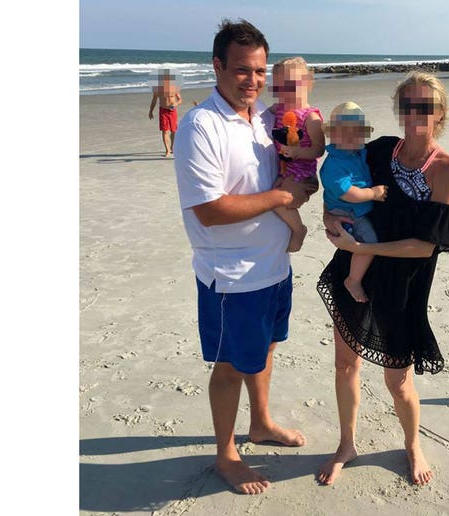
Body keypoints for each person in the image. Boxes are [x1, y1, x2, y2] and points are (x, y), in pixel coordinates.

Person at [173, 18, 309, 496]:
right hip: (232, 277)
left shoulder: (265, 120)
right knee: (232, 365)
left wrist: (304, 185)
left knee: (266, 350)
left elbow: (294, 171)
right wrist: (280, 200)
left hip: (274, 267)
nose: (251, 81)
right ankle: (226, 454)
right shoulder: (201, 125)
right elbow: (210, 210)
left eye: (258, 71)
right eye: (240, 70)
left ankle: (262, 423)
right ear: (217, 66)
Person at [316, 71, 449, 486]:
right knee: (345, 364)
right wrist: (330, 215)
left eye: (426, 107)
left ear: (440, 113)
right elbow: (338, 182)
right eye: (409, 106)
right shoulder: (380, 150)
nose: (416, 114)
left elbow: (423, 246)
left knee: (398, 380)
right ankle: (346, 444)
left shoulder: (448, 170)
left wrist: (360, 250)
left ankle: (412, 444)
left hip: (403, 284)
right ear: (400, 109)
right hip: (353, 269)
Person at [318, 102, 386, 303]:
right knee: (368, 242)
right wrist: (373, 194)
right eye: (344, 133)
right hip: (348, 212)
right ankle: (353, 280)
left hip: (354, 210)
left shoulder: (355, 153)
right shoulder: (335, 163)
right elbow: (348, 193)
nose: (351, 137)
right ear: (332, 135)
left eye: (356, 133)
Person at [268, 57, 325, 252]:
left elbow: (319, 149)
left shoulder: (311, 118)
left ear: (308, 83)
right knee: (273, 198)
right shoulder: (279, 110)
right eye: (280, 86)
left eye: (292, 84)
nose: (285, 91)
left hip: (302, 175)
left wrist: (298, 152)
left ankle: (298, 229)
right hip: (285, 172)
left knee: (276, 201)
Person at [149, 69, 183, 157]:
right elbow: (154, 101)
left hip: (172, 111)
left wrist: (175, 103)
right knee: (165, 131)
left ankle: (172, 146)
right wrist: (151, 111)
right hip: (163, 111)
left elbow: (180, 100)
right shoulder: (157, 90)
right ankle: (167, 150)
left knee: (173, 130)